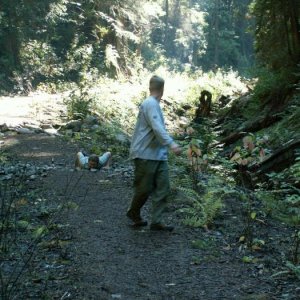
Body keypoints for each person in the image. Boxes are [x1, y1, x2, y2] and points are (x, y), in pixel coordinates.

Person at [127, 75, 181, 231]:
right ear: (162, 90)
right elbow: (157, 128)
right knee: (143, 190)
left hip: (158, 155)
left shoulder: (153, 104)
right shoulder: (150, 104)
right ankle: (133, 213)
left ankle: (156, 221)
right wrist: (172, 144)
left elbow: (157, 129)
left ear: (150, 87)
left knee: (164, 188)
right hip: (145, 154)